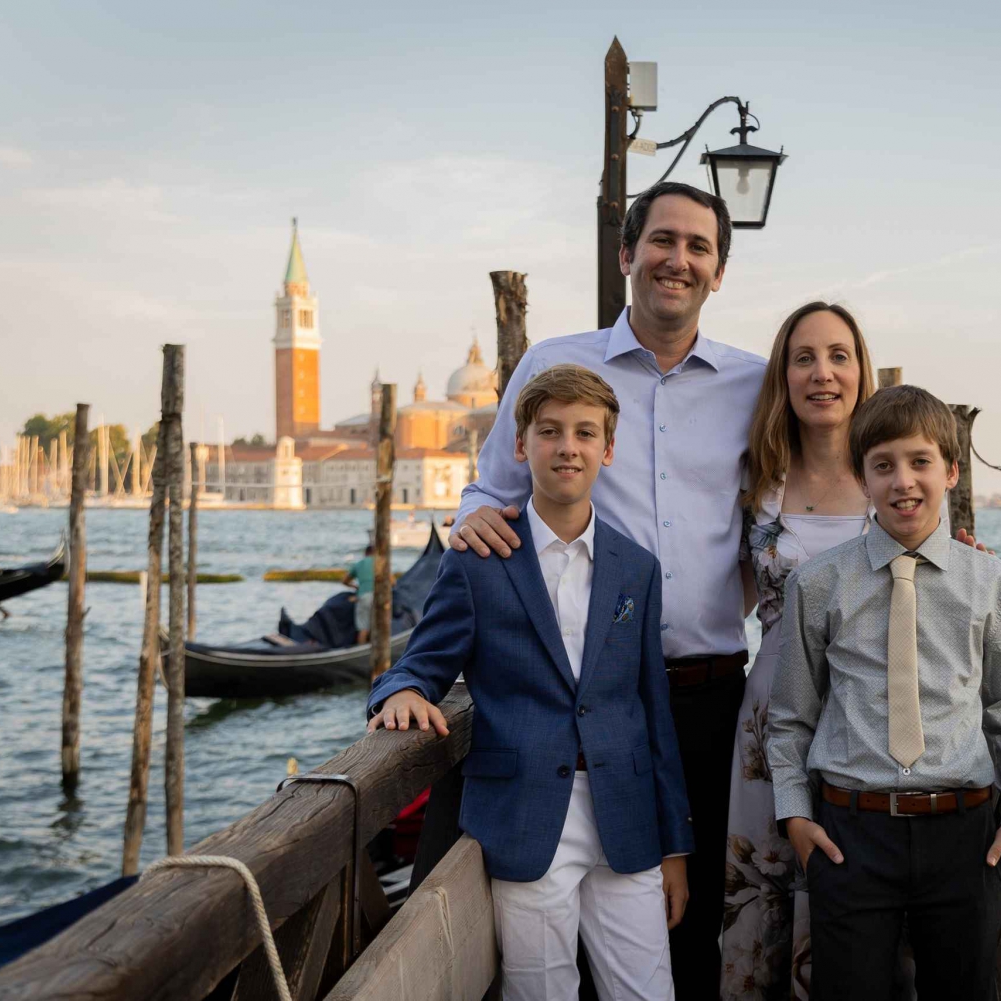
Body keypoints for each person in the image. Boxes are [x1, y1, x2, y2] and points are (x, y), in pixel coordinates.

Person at [444, 180, 767, 998]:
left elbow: (812, 496)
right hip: (577, 705)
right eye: (663, 240)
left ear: (719, 271)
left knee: (690, 927)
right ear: (627, 254)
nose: (679, 259)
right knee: (562, 948)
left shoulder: (755, 385)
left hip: (706, 701)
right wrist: (474, 523)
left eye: (699, 246)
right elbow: (491, 491)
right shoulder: (556, 365)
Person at [367, 364, 694, 1001]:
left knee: (649, 991)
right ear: (521, 445)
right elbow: (419, 664)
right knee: (541, 991)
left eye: (585, 433)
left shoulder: (637, 568)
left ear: (608, 449)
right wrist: (402, 693)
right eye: (550, 431)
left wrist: (675, 843)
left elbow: (653, 709)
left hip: (627, 817)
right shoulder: (477, 561)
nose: (567, 446)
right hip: (524, 816)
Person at [768, 385, 1001, 1001]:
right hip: (850, 835)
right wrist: (796, 816)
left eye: (921, 461)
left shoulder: (992, 582)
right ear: (861, 477)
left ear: (951, 471)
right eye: (883, 465)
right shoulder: (817, 583)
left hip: (966, 836)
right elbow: (790, 716)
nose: (903, 481)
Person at [720, 302, 876, 1000]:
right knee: (765, 902)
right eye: (804, 358)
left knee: (857, 906)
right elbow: (714, 594)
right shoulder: (758, 484)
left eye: (839, 356)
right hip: (769, 724)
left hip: (867, 730)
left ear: (861, 370)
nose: (823, 373)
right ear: (783, 375)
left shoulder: (890, 480)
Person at [343, 543, 375, 645]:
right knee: (377, 626)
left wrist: (356, 587)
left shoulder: (359, 564)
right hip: (380, 597)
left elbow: (345, 581)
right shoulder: (380, 563)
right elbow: (393, 582)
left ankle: (362, 649)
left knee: (363, 627)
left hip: (364, 596)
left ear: (365, 553)